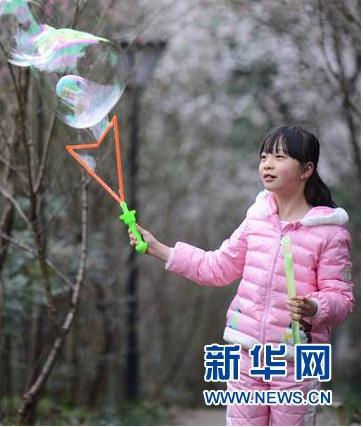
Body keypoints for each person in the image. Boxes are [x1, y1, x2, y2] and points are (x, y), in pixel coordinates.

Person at [131, 126, 354, 426]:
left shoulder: (329, 232)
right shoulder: (257, 218)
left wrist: (314, 307)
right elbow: (217, 267)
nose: (268, 164)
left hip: (297, 360)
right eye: (264, 157)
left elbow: (342, 299)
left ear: (307, 169)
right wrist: (160, 249)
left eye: (279, 156)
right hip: (245, 352)